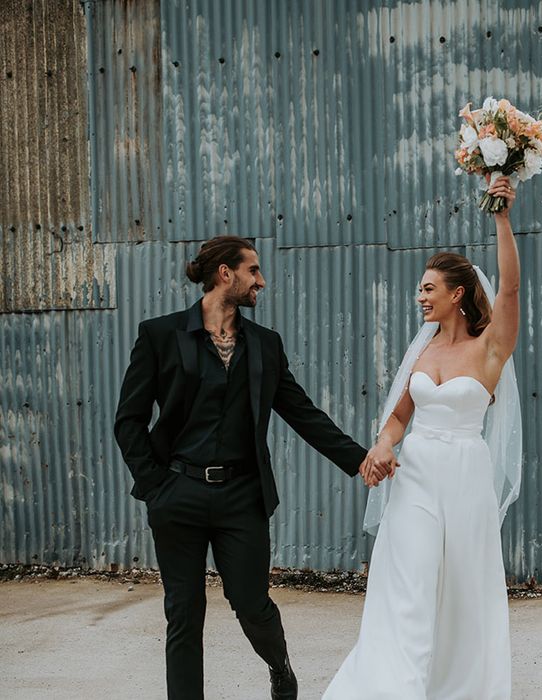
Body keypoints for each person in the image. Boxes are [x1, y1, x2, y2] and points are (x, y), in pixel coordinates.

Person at [114, 235, 388, 700]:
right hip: (177, 493)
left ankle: (279, 666)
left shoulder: (264, 344)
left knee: (251, 604)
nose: (261, 281)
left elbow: (302, 413)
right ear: (226, 273)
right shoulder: (160, 335)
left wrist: (360, 458)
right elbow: (129, 420)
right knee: (183, 612)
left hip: (242, 495)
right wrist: (155, 485)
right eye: (254, 271)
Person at [324, 175, 521, 699]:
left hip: (464, 478)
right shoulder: (423, 352)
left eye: (429, 288)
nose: (420, 297)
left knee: (459, 595)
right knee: (408, 588)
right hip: (415, 479)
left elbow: (511, 290)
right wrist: (384, 445)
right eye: (420, 288)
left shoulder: (490, 350)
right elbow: (397, 418)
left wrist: (501, 217)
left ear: (458, 294)